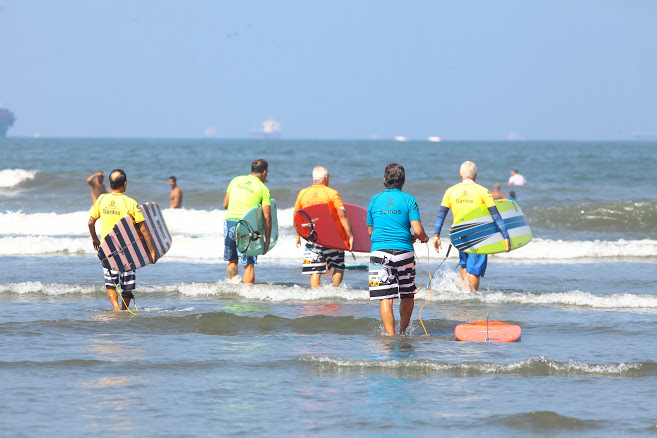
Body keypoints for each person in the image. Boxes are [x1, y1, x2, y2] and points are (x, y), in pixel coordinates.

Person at [367, 163, 429, 335]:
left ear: (385, 179)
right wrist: (423, 237)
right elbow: (417, 230)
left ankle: (390, 336)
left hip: (379, 253)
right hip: (404, 252)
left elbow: (370, 232)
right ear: (403, 180)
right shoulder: (409, 199)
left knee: (386, 298)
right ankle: (402, 332)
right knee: (408, 294)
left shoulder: (374, 199)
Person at [433, 161, 510, 291]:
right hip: (478, 236)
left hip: (458, 235)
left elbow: (441, 215)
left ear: (460, 174)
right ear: (475, 175)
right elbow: (496, 215)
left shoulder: (450, 191)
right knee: (474, 269)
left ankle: (465, 295)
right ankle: (470, 300)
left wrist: (436, 235)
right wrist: (506, 236)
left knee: (464, 265)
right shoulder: (483, 191)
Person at [88, 169, 158, 311]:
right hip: (128, 249)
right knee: (127, 284)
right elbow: (143, 229)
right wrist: (152, 251)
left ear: (109, 183)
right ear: (124, 184)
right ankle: (124, 310)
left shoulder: (102, 199)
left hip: (108, 249)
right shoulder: (130, 203)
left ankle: (116, 309)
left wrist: (95, 239)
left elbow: (90, 222)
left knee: (111, 282)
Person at [294, 166, 354, 288]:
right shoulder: (332, 193)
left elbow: (297, 216)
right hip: (331, 237)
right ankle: (333, 292)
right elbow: (342, 215)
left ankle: (316, 298)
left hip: (312, 237)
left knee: (315, 270)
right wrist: (350, 236)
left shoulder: (303, 193)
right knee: (338, 266)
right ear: (326, 178)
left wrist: (298, 234)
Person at [222, 159, 272, 284]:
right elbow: (267, 217)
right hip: (247, 226)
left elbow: (225, 204)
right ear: (264, 172)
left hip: (229, 223)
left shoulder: (235, 180)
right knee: (248, 264)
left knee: (232, 260)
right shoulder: (263, 188)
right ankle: (248, 295)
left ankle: (232, 287)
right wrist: (267, 240)